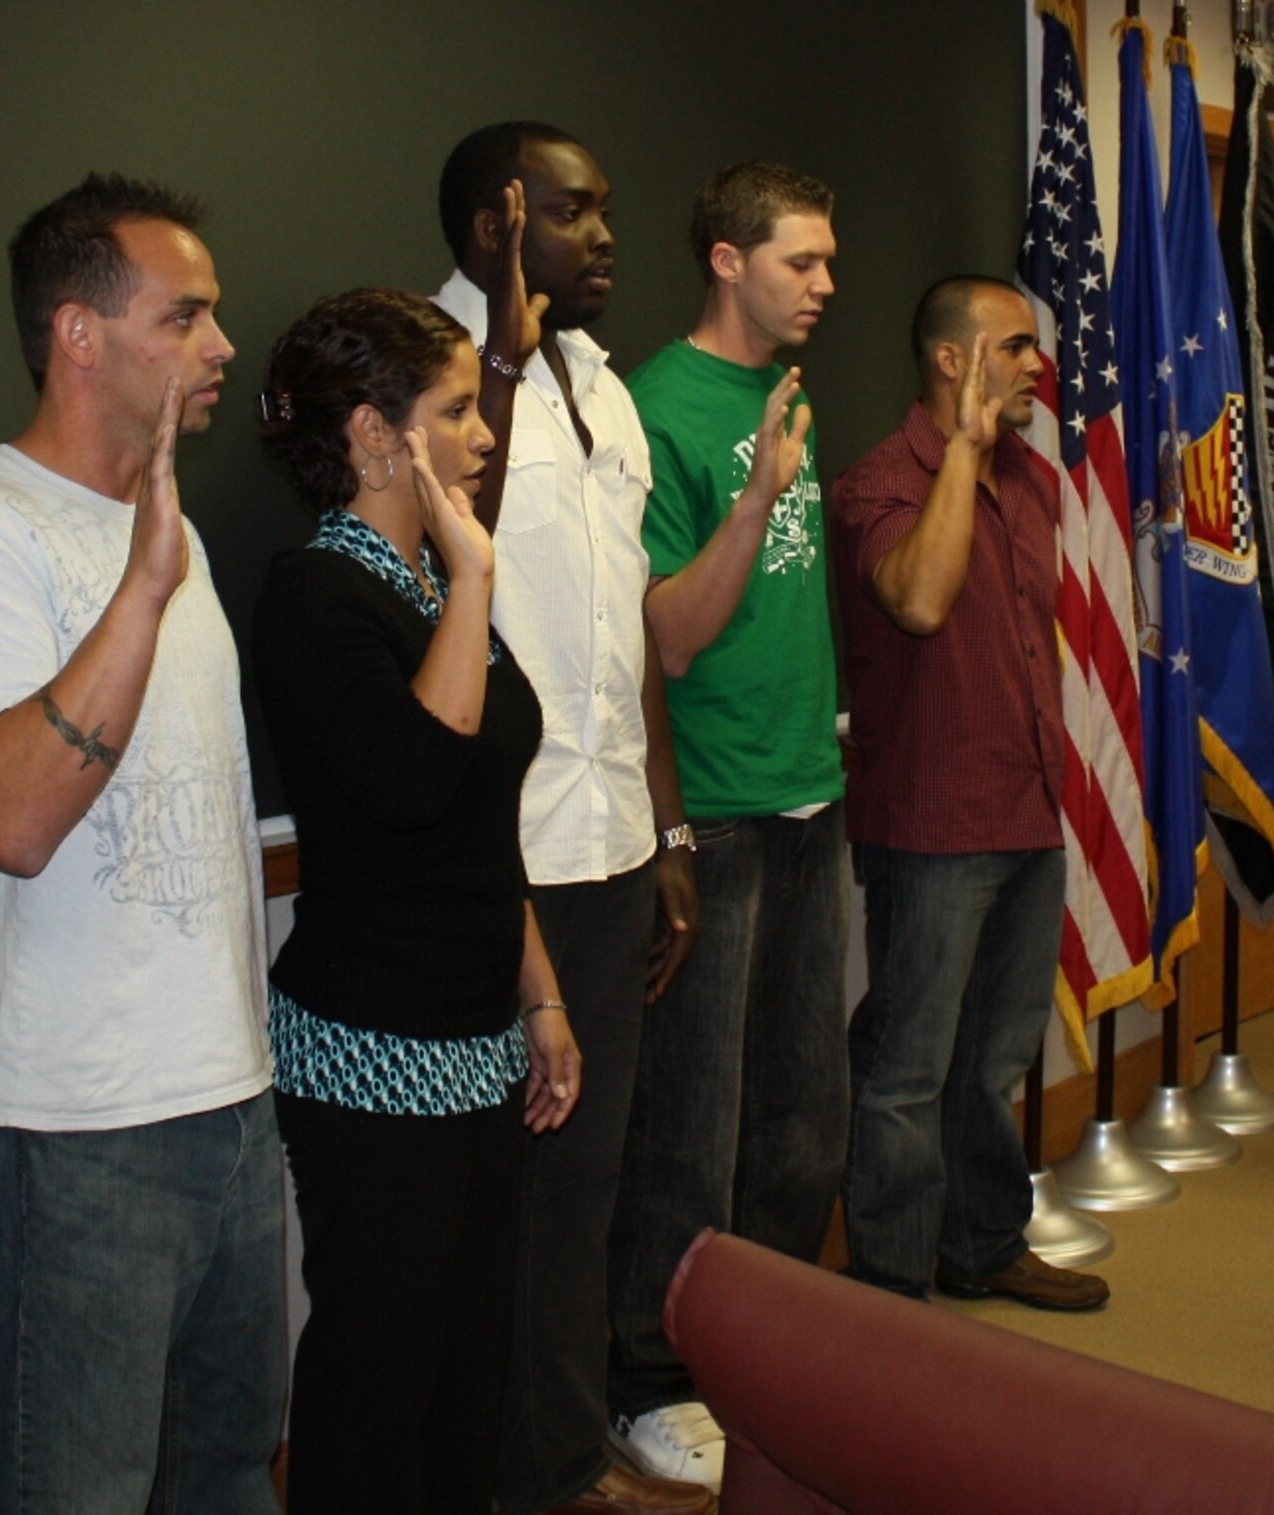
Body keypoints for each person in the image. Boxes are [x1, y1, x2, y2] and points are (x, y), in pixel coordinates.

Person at [0, 174, 285, 1512]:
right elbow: (10, 818)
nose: (222, 346)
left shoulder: (162, 528)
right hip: (75, 1128)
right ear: (79, 334)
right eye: (186, 316)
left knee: (224, 1479)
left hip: (228, 1100)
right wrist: (140, 593)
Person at [252, 288, 579, 1512]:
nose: (483, 432)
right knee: (376, 1381)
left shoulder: (439, 585)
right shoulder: (316, 596)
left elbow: (478, 826)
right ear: (376, 438)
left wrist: (537, 996)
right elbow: (413, 773)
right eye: (455, 409)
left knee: (468, 1375)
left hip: (475, 1045)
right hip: (368, 1055)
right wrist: (478, 573)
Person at [431, 122, 711, 1515]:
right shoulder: (423, 367)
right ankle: (520, 1470)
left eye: (606, 210)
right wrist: (489, 348)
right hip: (500, 859)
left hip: (607, 844)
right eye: (575, 211)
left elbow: (630, 640)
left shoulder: (601, 384)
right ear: (497, 225)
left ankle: (560, 1450)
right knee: (500, 1194)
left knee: (585, 1179)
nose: (607, 234)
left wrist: (665, 833)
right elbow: (440, 558)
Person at [609, 160, 850, 1490]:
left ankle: (761, 1363)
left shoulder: (790, 389)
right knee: (688, 1126)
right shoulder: (661, 406)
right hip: (716, 810)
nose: (825, 284)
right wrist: (756, 495)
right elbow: (672, 640)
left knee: (805, 1120)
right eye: (800, 263)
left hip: (812, 792)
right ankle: (650, 1376)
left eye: (827, 261)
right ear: (724, 259)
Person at [831, 275, 1108, 1311]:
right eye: (1014, 346)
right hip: (931, 825)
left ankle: (983, 1245)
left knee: (993, 1061)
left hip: (1026, 809)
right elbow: (916, 599)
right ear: (951, 360)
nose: (1037, 364)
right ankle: (890, 1286)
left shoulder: (1030, 483)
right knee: (908, 1067)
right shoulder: (879, 483)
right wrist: (959, 451)